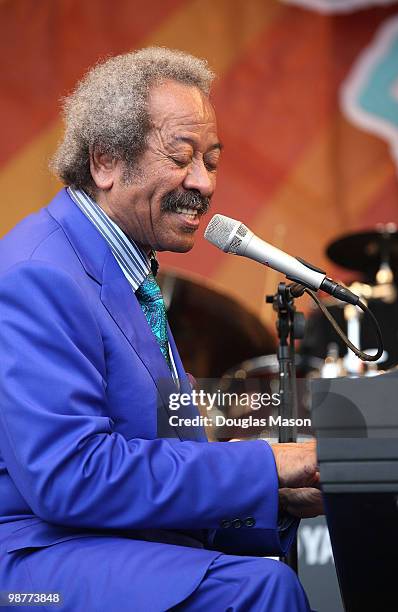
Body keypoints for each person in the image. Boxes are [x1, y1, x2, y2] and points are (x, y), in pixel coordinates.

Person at [0, 47, 322, 611]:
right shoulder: (39, 275)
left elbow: (153, 464)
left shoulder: (124, 269)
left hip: (102, 543)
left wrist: (276, 502)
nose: (203, 182)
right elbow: (71, 476)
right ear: (105, 160)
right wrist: (268, 463)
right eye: (181, 156)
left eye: (214, 161)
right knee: (261, 590)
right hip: (34, 562)